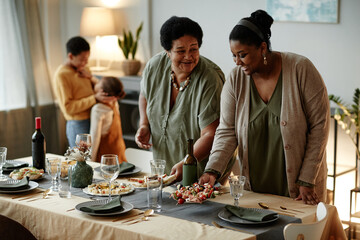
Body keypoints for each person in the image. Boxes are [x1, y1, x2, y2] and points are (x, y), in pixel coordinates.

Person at [199, 10, 330, 205]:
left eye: (242, 55)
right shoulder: (235, 79)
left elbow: (320, 127)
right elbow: (226, 131)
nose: (237, 62)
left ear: (262, 48)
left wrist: (306, 179)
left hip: (301, 188)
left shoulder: (300, 69)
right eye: (234, 55)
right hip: (255, 190)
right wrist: (212, 170)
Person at [135, 16, 225, 179]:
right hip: (164, 168)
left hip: (202, 172)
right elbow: (145, 95)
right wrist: (144, 124)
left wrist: (188, 162)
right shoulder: (154, 66)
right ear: (167, 52)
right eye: (181, 51)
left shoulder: (210, 79)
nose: (188, 56)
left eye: (194, 49)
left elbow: (210, 134)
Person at [53, 36, 115, 147]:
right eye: (82, 59)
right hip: (78, 124)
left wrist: (91, 77)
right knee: (82, 160)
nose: (85, 63)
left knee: (94, 158)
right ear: (71, 56)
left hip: (93, 118)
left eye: (87, 59)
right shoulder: (62, 75)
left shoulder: (84, 69)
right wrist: (94, 98)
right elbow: (68, 108)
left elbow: (98, 87)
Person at [90, 76, 127, 163]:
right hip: (119, 150)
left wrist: (90, 162)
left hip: (105, 155)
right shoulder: (114, 103)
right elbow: (109, 86)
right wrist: (90, 77)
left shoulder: (98, 109)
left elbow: (94, 138)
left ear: (102, 92)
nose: (97, 82)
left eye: (99, 82)